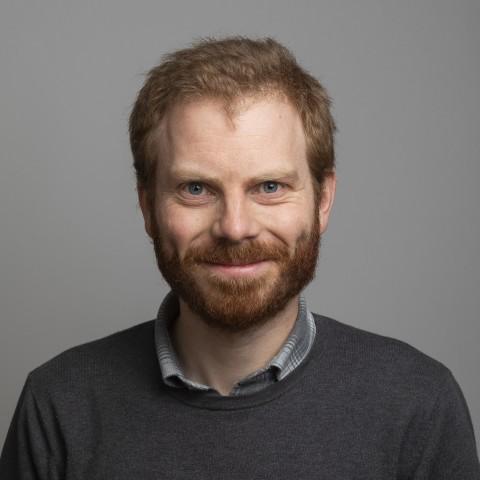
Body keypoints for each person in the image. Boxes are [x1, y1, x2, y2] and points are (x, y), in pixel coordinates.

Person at [1, 36, 479, 479]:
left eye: (269, 187)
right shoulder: (59, 406)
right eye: (196, 189)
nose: (234, 227)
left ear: (323, 200)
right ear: (148, 207)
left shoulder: (418, 406)